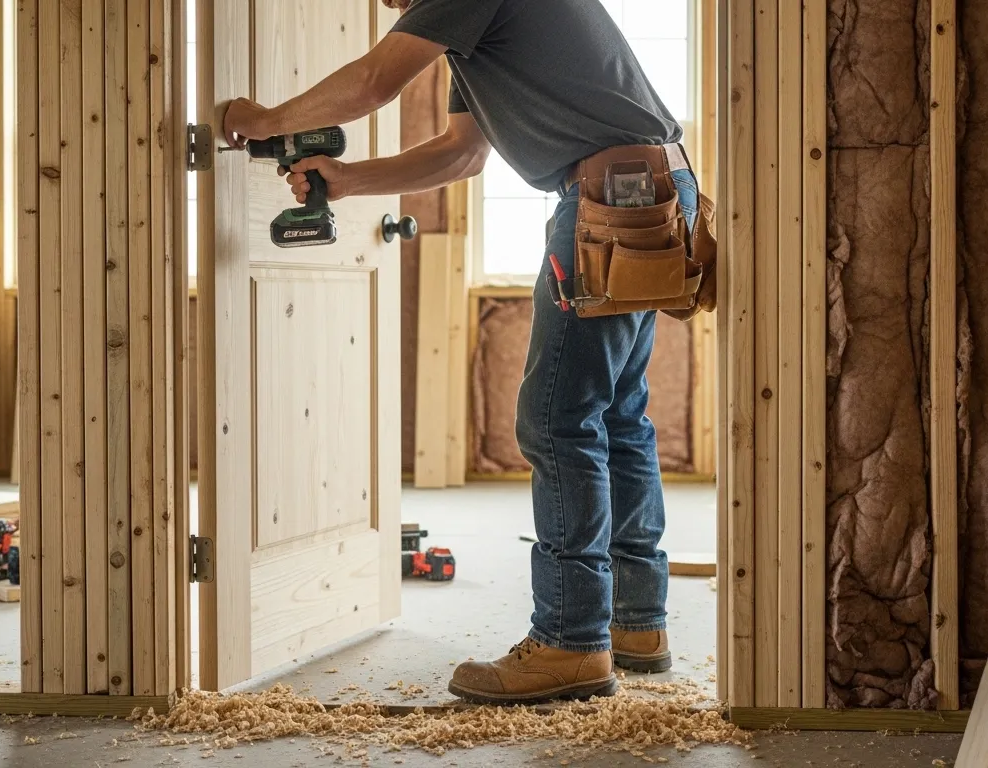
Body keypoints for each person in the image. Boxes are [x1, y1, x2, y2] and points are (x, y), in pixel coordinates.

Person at [223, 0, 699, 705]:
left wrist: (262, 121)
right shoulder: (470, 32)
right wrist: (348, 181)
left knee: (558, 420)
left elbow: (374, 82)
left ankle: (570, 642)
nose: (392, 5)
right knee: (615, 415)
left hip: (609, 196)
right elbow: (463, 153)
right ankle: (634, 622)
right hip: (647, 188)